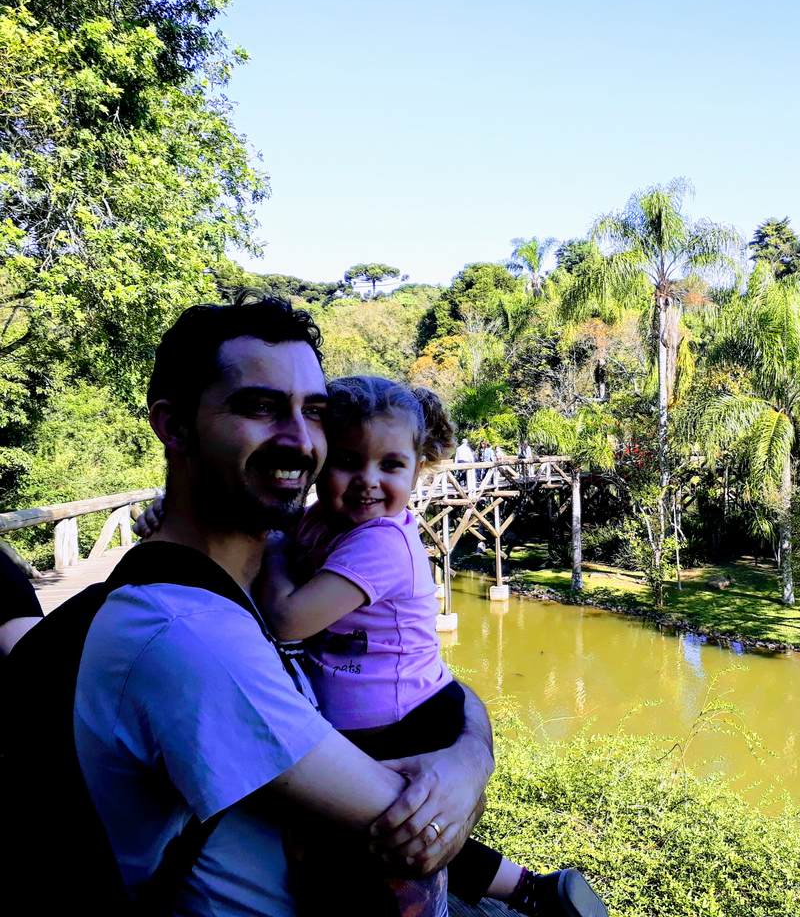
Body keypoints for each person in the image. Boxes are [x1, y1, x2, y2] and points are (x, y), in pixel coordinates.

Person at [4, 296, 492, 916]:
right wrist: (472, 757)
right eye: (260, 407)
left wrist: (465, 741)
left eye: (314, 412)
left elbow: (434, 683)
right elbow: (417, 833)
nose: (299, 439)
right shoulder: (193, 639)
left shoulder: (221, 594)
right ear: (174, 426)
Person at [137, 376, 607, 917]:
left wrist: (272, 545)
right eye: (347, 461)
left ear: (417, 468)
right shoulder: (320, 520)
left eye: (390, 466)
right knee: (404, 827)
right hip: (384, 713)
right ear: (317, 462)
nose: (368, 482)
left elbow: (288, 620)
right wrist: (171, 515)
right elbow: (255, 527)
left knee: (392, 845)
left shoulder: (383, 540)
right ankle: (531, 889)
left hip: (403, 720)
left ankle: (489, 897)